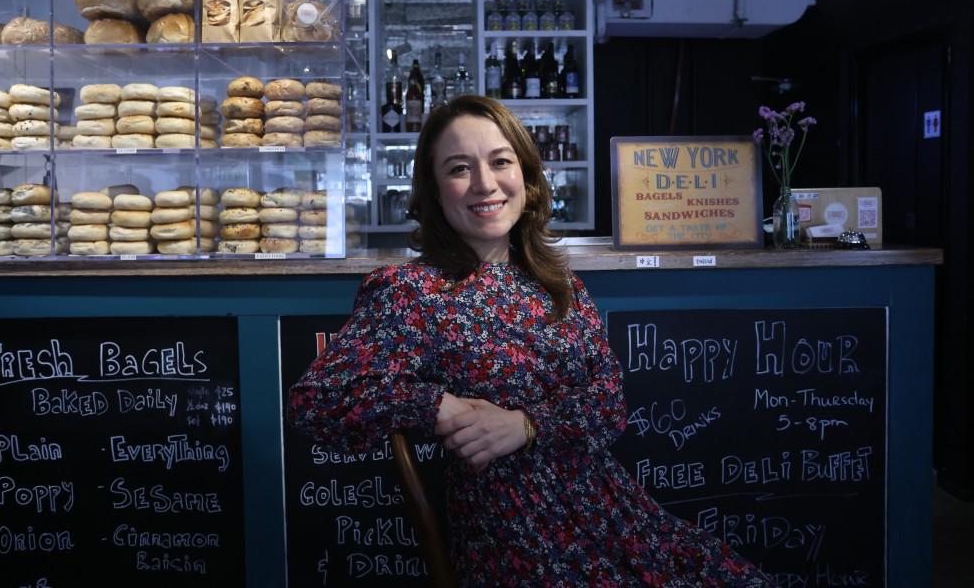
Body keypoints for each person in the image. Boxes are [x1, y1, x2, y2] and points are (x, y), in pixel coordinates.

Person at [288, 94, 773, 586]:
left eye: (500, 162)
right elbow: (318, 400)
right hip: (521, 533)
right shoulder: (412, 291)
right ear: (434, 190)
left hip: (615, 511)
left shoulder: (557, 283)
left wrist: (525, 426)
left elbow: (608, 406)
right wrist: (441, 407)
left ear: (526, 175)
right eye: (459, 169)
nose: (485, 184)